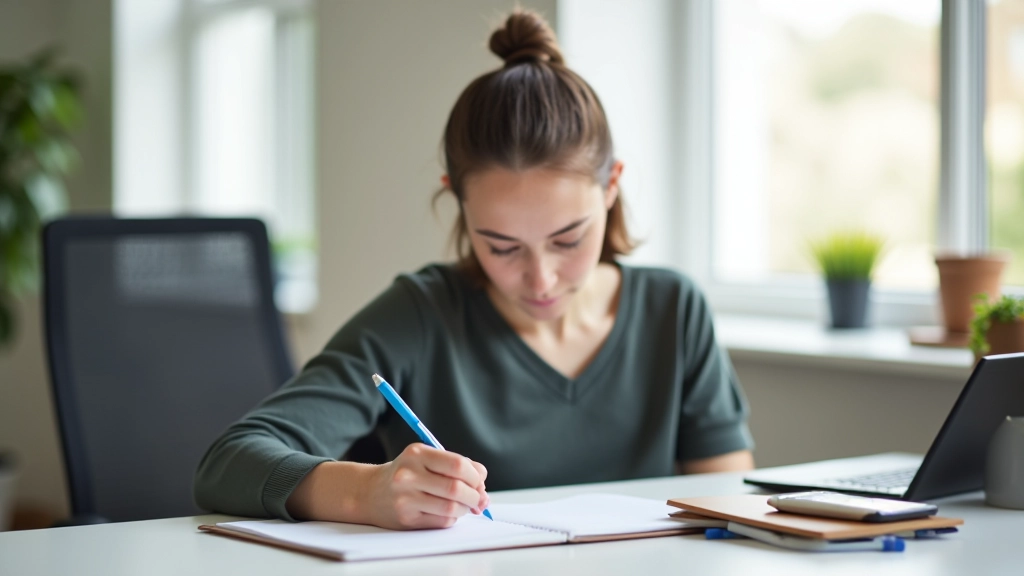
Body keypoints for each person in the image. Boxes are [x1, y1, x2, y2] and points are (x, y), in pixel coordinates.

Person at [194, 9, 754, 531]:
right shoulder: (420, 315)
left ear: (611, 186)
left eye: (568, 239)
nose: (541, 279)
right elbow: (228, 463)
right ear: (458, 202)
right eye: (502, 246)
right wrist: (364, 492)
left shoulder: (673, 311)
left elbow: (723, 506)